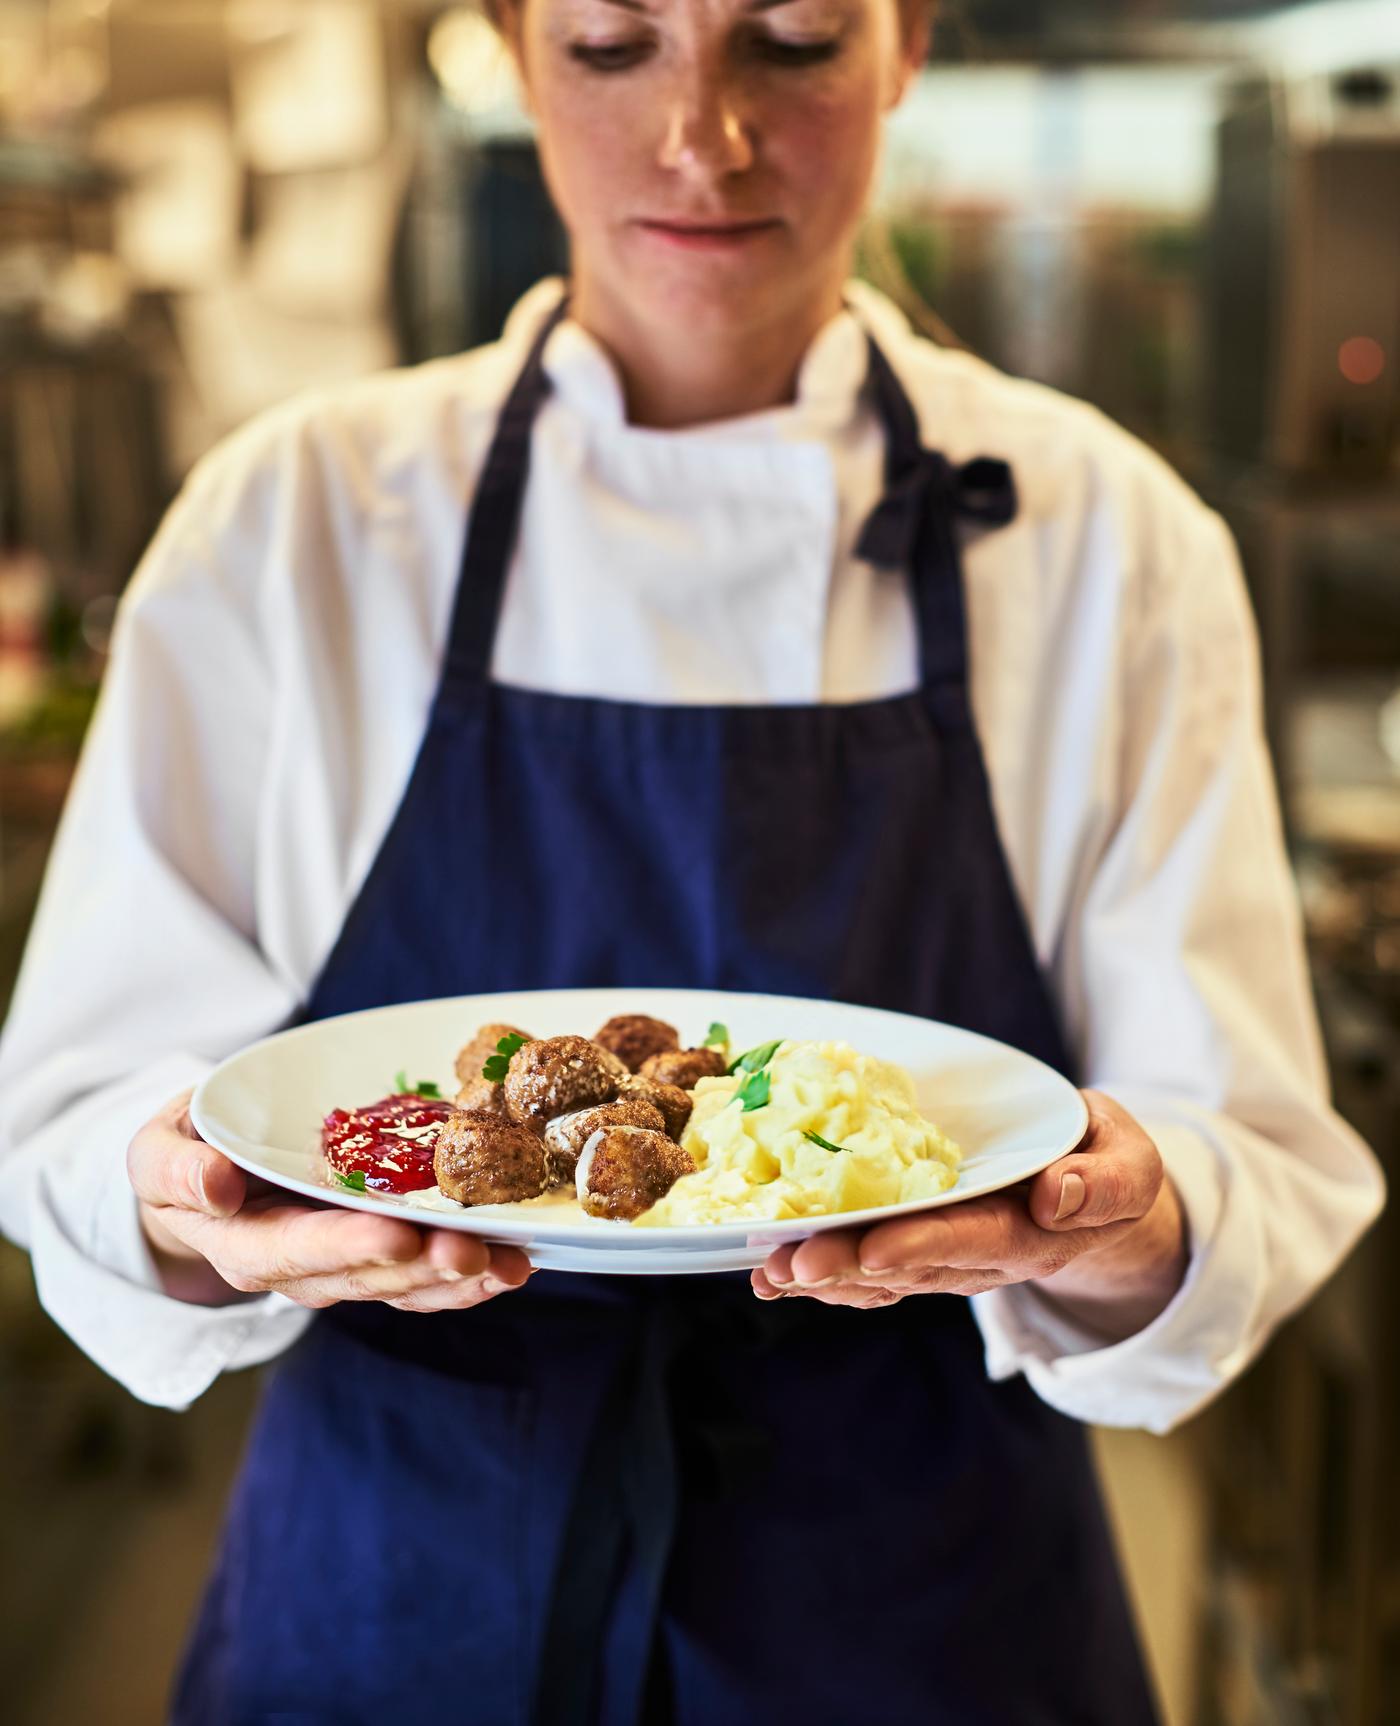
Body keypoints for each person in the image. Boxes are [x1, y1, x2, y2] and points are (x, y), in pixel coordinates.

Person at [0, 0, 1384, 1720]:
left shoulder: (1110, 541)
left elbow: (1238, 1141)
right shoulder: (296, 520)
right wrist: (198, 1202)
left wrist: (1112, 1218)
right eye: (611, 47)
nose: (702, 136)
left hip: (923, 1607)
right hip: (399, 1590)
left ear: (907, 51)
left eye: (791, 43)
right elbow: (72, 1105)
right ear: (512, 54)